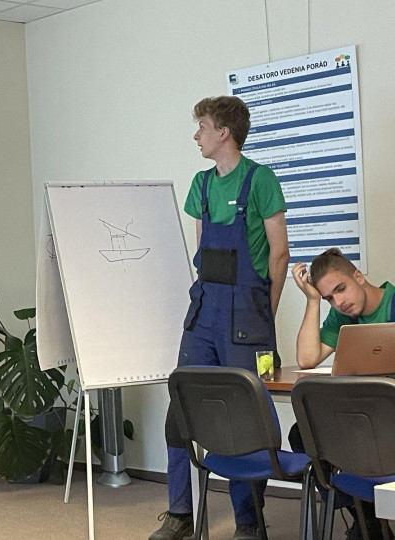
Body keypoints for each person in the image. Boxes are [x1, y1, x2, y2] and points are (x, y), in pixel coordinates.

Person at [150, 96, 289, 540]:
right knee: (181, 409)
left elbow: (279, 254)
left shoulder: (261, 179)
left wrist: (266, 312)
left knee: (245, 416)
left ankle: (249, 521)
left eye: (203, 126)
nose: (197, 135)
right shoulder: (202, 184)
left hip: (249, 317)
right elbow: (203, 255)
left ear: (223, 132)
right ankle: (179, 513)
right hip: (204, 314)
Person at [290, 248, 395, 539]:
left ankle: (369, 520)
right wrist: (312, 301)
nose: (339, 302)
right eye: (329, 298)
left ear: (358, 277)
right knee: (303, 433)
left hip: (388, 419)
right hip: (364, 419)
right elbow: (307, 359)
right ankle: (366, 520)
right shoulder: (342, 317)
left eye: (340, 289)